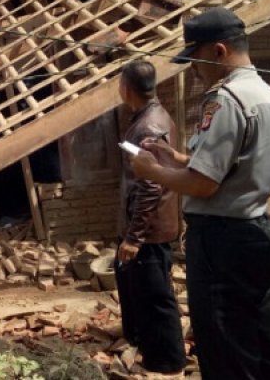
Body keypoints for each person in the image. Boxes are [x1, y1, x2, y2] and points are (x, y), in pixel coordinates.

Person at [130, 7, 270, 380]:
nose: (194, 69)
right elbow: (240, 164)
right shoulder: (268, 95)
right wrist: (179, 158)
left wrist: (152, 170)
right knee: (263, 343)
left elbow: (204, 184)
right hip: (258, 233)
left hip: (224, 241)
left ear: (219, 51)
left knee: (226, 350)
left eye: (196, 58)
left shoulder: (225, 100)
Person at [115, 60, 186, 378]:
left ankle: (169, 361)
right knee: (142, 290)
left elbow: (150, 185)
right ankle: (148, 348)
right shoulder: (147, 117)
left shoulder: (148, 126)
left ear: (126, 89)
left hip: (151, 229)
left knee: (157, 296)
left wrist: (134, 237)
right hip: (151, 226)